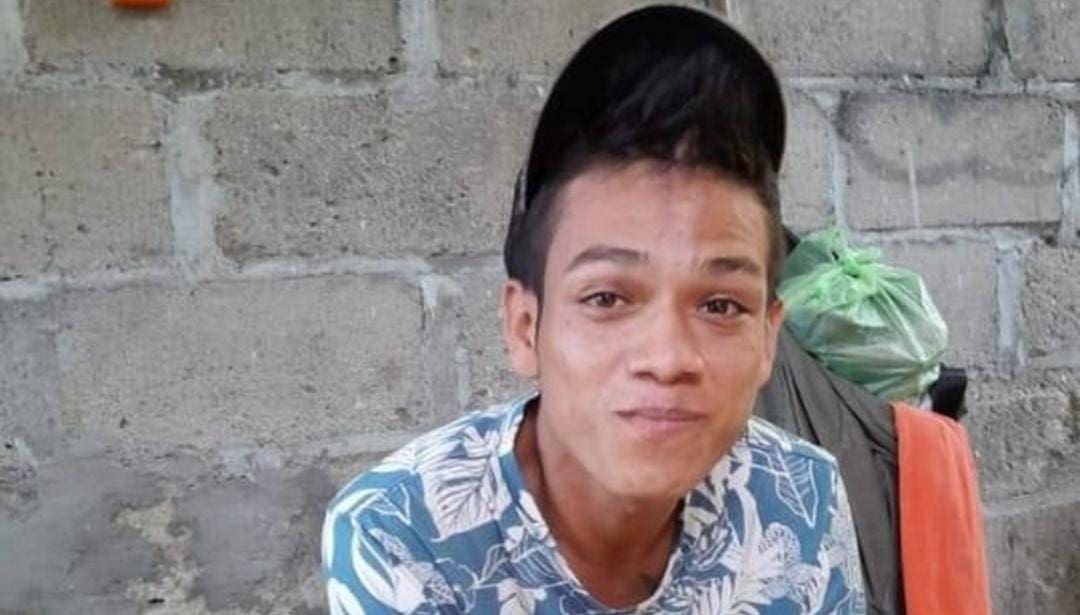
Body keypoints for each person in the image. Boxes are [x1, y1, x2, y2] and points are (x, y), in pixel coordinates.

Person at [322, 5, 866, 613]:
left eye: (720, 305)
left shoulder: (799, 495)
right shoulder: (404, 531)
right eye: (606, 298)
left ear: (767, 339)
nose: (668, 359)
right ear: (525, 327)